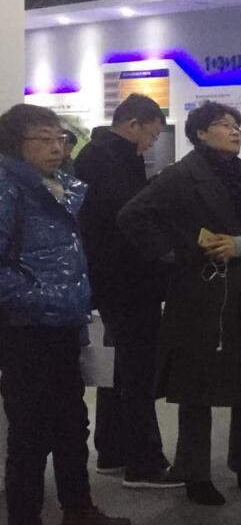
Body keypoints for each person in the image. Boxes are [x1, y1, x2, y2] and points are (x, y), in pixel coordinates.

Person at [117, 101, 241, 506]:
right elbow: (133, 215)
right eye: (224, 124)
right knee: (196, 387)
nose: (235, 131)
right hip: (199, 293)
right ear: (200, 133)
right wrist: (174, 253)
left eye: (237, 125)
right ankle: (194, 472)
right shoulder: (182, 174)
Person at [0, 105, 131, 525]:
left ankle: (78, 510)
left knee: (72, 422)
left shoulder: (59, 187)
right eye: (43, 138)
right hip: (26, 327)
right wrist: (41, 297)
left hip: (64, 323)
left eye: (60, 137)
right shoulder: (8, 188)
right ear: (16, 144)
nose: (56, 147)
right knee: (31, 433)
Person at [74, 93, 180, 489]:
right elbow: (127, 217)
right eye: (150, 136)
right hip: (127, 282)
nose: (150, 145)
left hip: (115, 281)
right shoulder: (108, 160)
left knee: (117, 370)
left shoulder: (103, 156)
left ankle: (113, 450)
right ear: (132, 124)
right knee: (137, 372)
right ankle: (144, 462)